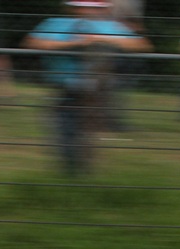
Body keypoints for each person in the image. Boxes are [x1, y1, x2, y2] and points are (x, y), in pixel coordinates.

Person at [23, 0, 151, 176]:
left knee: (84, 133)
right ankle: (72, 171)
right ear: (71, 8)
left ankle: (81, 171)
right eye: (81, 7)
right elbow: (33, 43)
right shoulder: (55, 23)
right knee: (66, 132)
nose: (86, 11)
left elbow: (141, 46)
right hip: (65, 88)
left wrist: (100, 39)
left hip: (97, 89)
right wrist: (73, 44)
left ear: (103, 9)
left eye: (92, 7)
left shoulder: (112, 27)